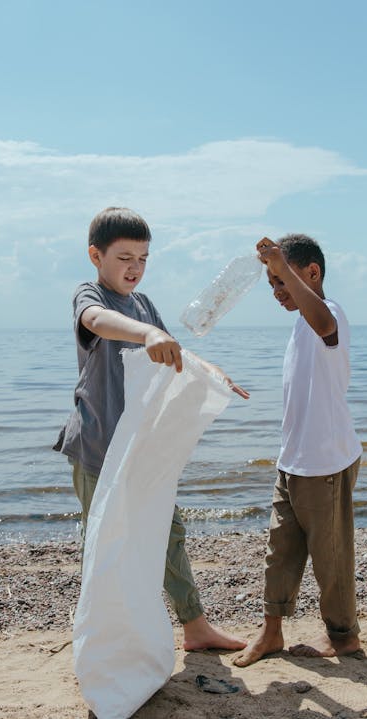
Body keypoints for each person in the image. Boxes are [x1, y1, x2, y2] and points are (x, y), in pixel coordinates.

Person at [55, 206, 248, 652]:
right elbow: (97, 321)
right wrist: (146, 335)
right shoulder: (91, 295)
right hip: (98, 446)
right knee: (107, 544)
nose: (135, 268)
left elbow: (170, 354)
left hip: (141, 444)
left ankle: (195, 627)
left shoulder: (143, 304)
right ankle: (106, 638)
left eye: (143, 258)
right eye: (124, 258)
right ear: (95, 256)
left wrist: (212, 373)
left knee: (168, 531)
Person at [234, 234, 362, 666]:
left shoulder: (331, 316)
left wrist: (282, 265)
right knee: (279, 552)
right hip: (293, 460)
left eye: (284, 280)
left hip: (326, 460)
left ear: (312, 273)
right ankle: (271, 633)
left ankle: (343, 639)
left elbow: (323, 322)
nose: (277, 291)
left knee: (331, 560)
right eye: (271, 283)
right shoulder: (298, 323)